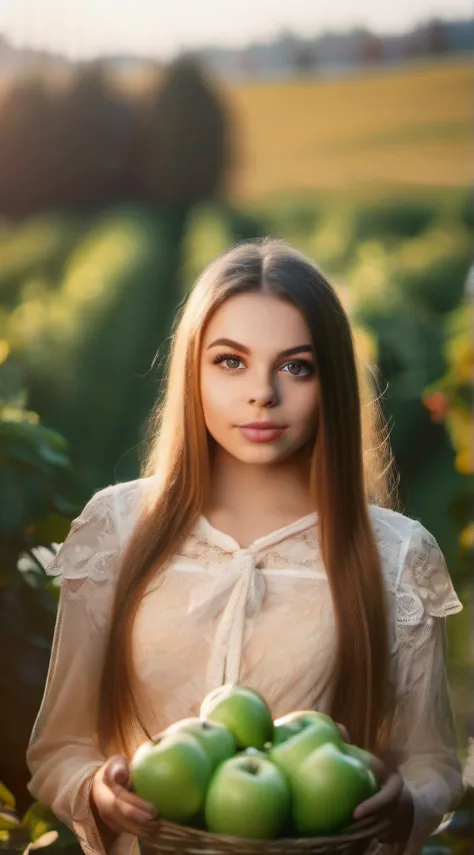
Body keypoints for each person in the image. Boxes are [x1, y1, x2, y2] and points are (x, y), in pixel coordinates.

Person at [26, 239, 464, 855]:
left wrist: (404, 805)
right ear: (192, 373)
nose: (262, 392)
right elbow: (60, 746)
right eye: (231, 362)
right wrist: (98, 791)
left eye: (295, 366)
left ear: (330, 382)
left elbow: (431, 762)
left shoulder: (395, 555)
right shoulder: (117, 529)